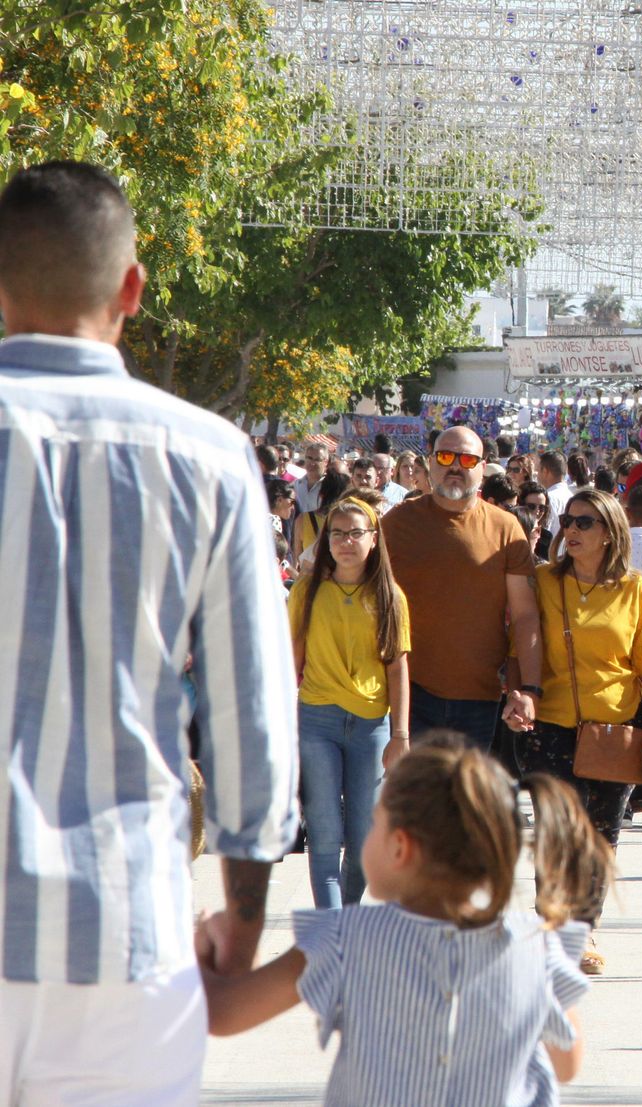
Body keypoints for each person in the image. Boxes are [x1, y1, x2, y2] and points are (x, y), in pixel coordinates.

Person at [0, 160, 298, 1101]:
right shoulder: (207, 456)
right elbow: (252, 708)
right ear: (131, 288)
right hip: (129, 931)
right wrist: (243, 919)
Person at [197, 744, 607, 1107]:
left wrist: (202, 947)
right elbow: (567, 1063)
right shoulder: (537, 945)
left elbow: (224, 1013)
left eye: (375, 823)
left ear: (400, 846)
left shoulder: (344, 938)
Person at [508, 491, 642, 975]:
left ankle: (584, 930)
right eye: (567, 521)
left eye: (584, 523)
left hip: (616, 727)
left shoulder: (635, 589)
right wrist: (518, 694)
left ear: (611, 532)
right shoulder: (543, 582)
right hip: (551, 724)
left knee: (600, 836)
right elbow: (518, 646)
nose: (570, 530)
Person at [384, 427, 541, 750]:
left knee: (465, 800)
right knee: (417, 799)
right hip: (407, 693)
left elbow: (525, 616)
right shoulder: (397, 523)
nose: (455, 466)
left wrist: (529, 689)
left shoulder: (506, 528)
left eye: (467, 459)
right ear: (430, 463)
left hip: (479, 697)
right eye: (445, 456)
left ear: (483, 468)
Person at [289, 496, 411, 909]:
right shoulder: (307, 591)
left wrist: (401, 735)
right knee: (323, 833)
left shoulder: (390, 596)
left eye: (356, 533)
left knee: (364, 837)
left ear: (373, 539)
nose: (345, 541)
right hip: (317, 719)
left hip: (371, 724)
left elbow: (398, 667)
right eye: (337, 533)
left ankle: (349, 915)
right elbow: (293, 661)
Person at [294, 469, 352, 571]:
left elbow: (298, 557)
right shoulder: (349, 523)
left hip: (309, 581)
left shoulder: (302, 520)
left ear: (320, 494)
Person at [538, 452, 574, 537]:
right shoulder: (571, 496)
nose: (537, 475)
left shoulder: (549, 498)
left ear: (545, 471)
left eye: (539, 470)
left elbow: (545, 532)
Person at [518, 481, 556, 561]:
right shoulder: (511, 530)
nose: (537, 511)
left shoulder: (546, 537)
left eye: (542, 508)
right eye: (531, 506)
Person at [294, 441, 330, 513]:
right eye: (309, 458)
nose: (312, 463)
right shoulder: (296, 485)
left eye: (317, 460)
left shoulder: (330, 486)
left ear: (326, 462)